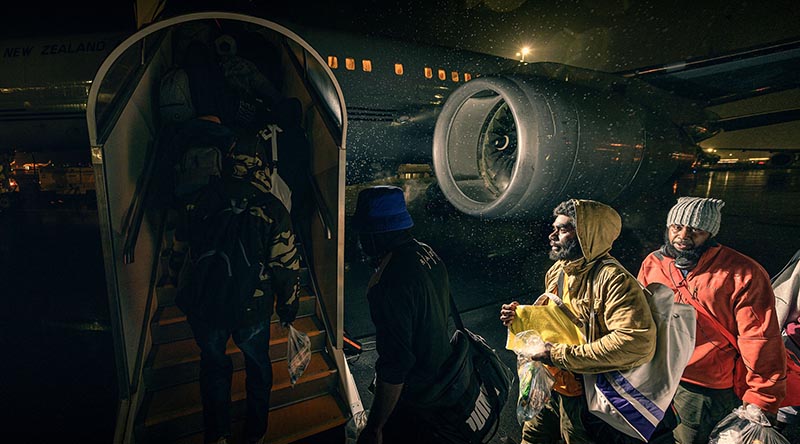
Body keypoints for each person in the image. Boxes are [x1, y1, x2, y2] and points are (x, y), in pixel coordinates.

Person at [499, 199, 673, 443]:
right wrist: (522, 318)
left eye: (562, 229)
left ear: (586, 234)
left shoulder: (613, 280)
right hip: (550, 385)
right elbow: (560, 323)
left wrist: (559, 355)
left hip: (584, 393)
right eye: (555, 228)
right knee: (533, 437)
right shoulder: (559, 270)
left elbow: (635, 342)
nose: (552, 235)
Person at [169, 133, 301, 444]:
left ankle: (218, 434)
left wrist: (179, 284)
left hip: (206, 304)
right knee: (257, 368)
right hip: (251, 309)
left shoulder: (199, 200)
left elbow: (179, 252)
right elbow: (286, 266)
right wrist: (288, 308)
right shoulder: (272, 208)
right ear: (261, 167)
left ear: (228, 163)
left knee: (214, 367)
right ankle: (255, 433)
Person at [637, 196, 787, 443]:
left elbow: (759, 338)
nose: (683, 235)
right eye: (677, 227)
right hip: (656, 376)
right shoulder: (654, 262)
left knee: (690, 439)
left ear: (710, 232)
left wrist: (763, 396)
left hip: (703, 387)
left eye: (696, 229)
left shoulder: (742, 273)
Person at [353, 186, 451, 444]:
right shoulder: (425, 251)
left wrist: (374, 427)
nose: (360, 242)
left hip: (415, 397)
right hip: (442, 378)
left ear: (376, 234)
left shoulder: (388, 284)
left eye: (363, 233)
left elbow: (395, 365)